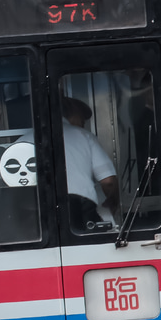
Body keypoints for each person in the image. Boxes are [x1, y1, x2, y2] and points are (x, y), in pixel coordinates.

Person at [61, 97, 119, 230]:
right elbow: (108, 181)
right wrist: (113, 201)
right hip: (80, 209)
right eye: (82, 120)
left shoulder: (26, 139)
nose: (83, 124)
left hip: (38, 212)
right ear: (73, 115)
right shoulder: (84, 136)